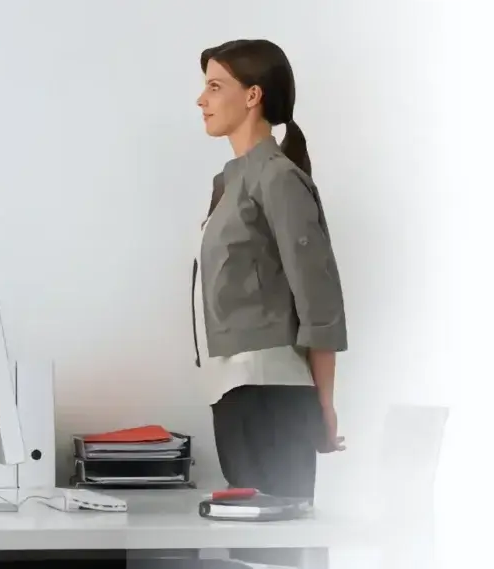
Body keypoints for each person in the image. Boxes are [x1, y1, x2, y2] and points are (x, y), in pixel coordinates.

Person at [192, 39, 347, 567]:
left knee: (275, 557)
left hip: (270, 394)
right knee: (252, 557)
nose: (202, 100)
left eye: (216, 86)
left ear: (253, 95)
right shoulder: (232, 180)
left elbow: (319, 299)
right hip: (237, 391)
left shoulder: (278, 178)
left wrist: (323, 406)